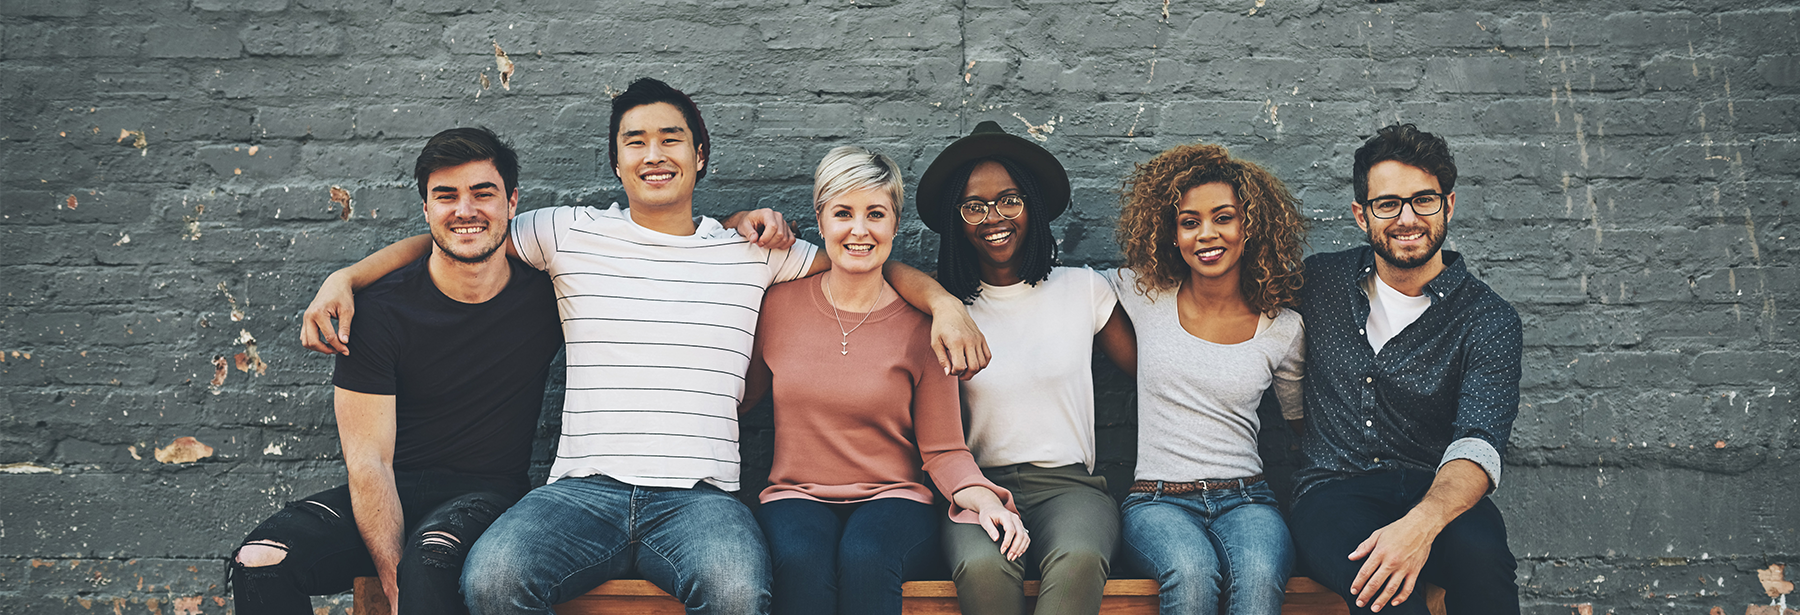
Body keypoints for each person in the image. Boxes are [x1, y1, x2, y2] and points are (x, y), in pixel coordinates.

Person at [297, 78, 989, 615]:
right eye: (636, 141)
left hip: (702, 499)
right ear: (617, 162)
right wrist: (347, 276)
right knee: (493, 577)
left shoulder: (752, 253)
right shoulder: (565, 232)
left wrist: (942, 303)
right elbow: (462, 231)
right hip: (580, 491)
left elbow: (861, 255)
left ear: (700, 155)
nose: (654, 153)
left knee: (739, 592)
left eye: (671, 138)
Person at [232, 128, 562, 615]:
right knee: (261, 560)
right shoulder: (378, 312)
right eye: (445, 196)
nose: (465, 210)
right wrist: (390, 577)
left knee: (429, 561)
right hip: (387, 487)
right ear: (426, 210)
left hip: (487, 493)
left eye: (483, 193)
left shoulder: (547, 295)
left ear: (512, 203)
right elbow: (369, 462)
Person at [742, 145, 1027, 615]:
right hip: (796, 495)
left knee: (866, 556)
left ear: (895, 224)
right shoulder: (775, 306)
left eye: (875, 213)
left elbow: (944, 449)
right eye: (843, 213)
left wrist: (987, 501)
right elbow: (740, 398)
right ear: (820, 219)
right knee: (798, 560)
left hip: (894, 500)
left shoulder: (923, 324)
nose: (859, 230)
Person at [1287, 123, 1521, 615]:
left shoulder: (1489, 319)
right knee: (1388, 592)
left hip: (1432, 486)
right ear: (1361, 215)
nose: (1407, 218)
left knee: (1486, 562)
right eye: (1388, 204)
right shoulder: (1320, 283)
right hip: (1332, 491)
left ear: (1448, 205)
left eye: (1424, 200)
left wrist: (1420, 524)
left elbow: (1478, 443)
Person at [911, 120, 1136, 615]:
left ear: (1032, 204)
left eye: (1010, 199)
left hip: (1071, 488)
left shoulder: (1083, 290)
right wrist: (943, 304)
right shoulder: (940, 310)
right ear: (957, 220)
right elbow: (877, 266)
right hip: (978, 487)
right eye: (975, 206)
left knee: (1078, 557)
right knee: (983, 567)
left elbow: (1154, 374)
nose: (994, 217)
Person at [1109, 143, 1309, 615]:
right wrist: (944, 302)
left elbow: (1302, 427)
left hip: (1248, 499)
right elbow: (1064, 292)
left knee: (1260, 578)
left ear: (1249, 225)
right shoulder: (1145, 293)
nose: (1207, 234)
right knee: (1193, 573)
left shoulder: (1283, 328)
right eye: (1189, 222)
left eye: (1224, 217)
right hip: (1157, 501)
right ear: (1173, 234)